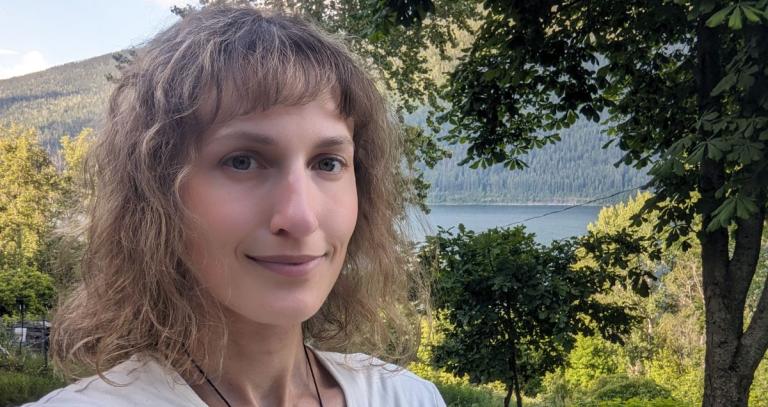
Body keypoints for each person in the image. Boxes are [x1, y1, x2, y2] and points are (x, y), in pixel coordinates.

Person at [25, 5, 444, 407]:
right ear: (155, 193)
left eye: (328, 163)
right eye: (242, 161)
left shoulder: (409, 398)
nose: (301, 217)